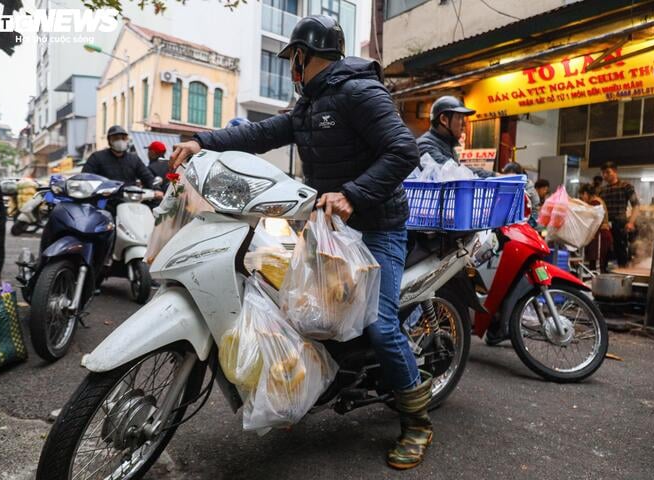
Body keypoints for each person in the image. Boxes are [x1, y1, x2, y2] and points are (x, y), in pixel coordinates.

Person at [171, 15, 430, 469]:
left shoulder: (359, 91)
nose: (291, 66)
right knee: (298, 304)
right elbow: (262, 133)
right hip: (329, 227)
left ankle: (417, 421)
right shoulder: (310, 103)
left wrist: (353, 194)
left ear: (309, 55)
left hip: (376, 226)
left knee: (380, 325)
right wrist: (203, 142)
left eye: (294, 57)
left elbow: (403, 150)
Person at [83, 126, 161, 198]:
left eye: (123, 138)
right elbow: (86, 177)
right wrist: (99, 189)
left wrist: (156, 189)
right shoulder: (97, 157)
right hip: (105, 200)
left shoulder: (134, 159)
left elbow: (146, 176)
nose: (120, 141)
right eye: (116, 138)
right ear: (109, 140)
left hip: (130, 199)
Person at [599, 161, 639, 267]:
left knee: (621, 253)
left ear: (615, 172)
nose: (605, 175)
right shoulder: (602, 190)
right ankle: (603, 277)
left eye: (608, 172)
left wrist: (631, 222)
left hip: (620, 224)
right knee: (604, 254)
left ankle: (624, 277)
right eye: (603, 173)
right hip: (605, 225)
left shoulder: (626, 186)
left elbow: (636, 205)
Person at [416, 96, 474, 166]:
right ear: (443, 119)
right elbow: (454, 171)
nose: (464, 124)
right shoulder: (425, 146)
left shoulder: (447, 145)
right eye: (459, 118)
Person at [579, 183, 612, 272]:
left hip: (600, 237)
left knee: (597, 266)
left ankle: (597, 284)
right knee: (596, 265)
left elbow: (593, 222)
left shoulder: (595, 203)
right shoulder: (597, 201)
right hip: (600, 236)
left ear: (586, 193)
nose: (582, 199)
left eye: (582, 196)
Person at [502, 162, 540, 227]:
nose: (510, 181)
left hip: (528, 223)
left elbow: (534, 203)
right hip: (510, 223)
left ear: (520, 176)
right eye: (507, 178)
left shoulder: (528, 186)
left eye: (512, 178)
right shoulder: (504, 186)